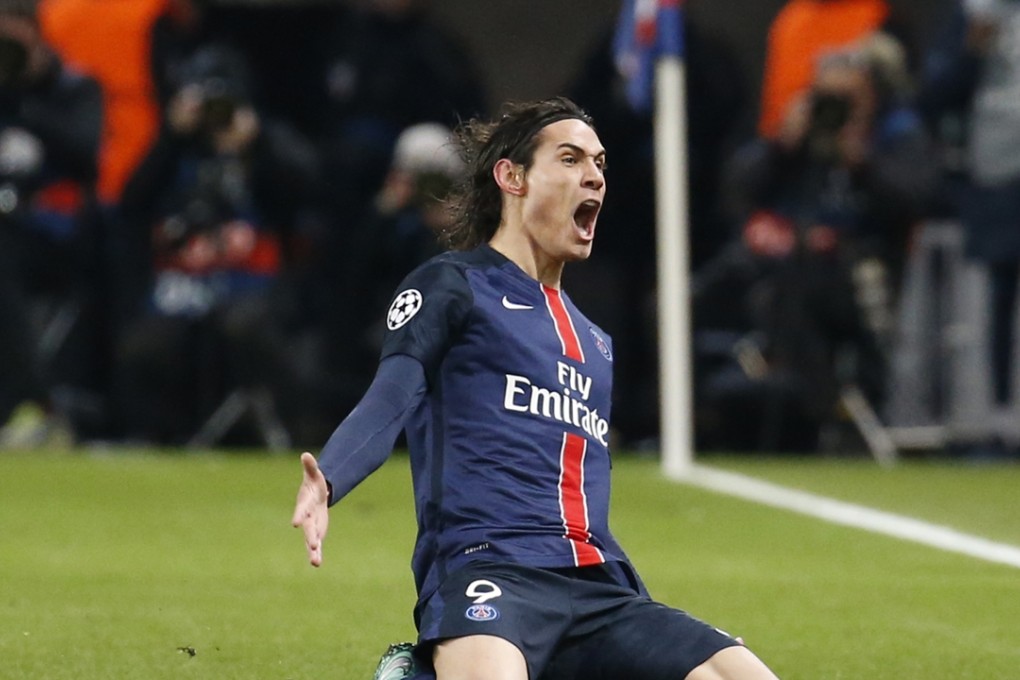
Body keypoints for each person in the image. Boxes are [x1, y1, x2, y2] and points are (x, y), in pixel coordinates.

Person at [291, 97, 779, 680]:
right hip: (491, 574)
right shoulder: (453, 285)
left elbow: (579, 494)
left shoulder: (595, 342)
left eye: (599, 163)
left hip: (600, 591)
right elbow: (393, 394)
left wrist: (651, 623)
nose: (594, 175)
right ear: (512, 177)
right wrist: (332, 479)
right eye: (570, 159)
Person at [0, 0, 102, 446]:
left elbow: (84, 156)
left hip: (57, 235)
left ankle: (35, 401)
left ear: (36, 34)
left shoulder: (75, 88)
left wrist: (22, 99)